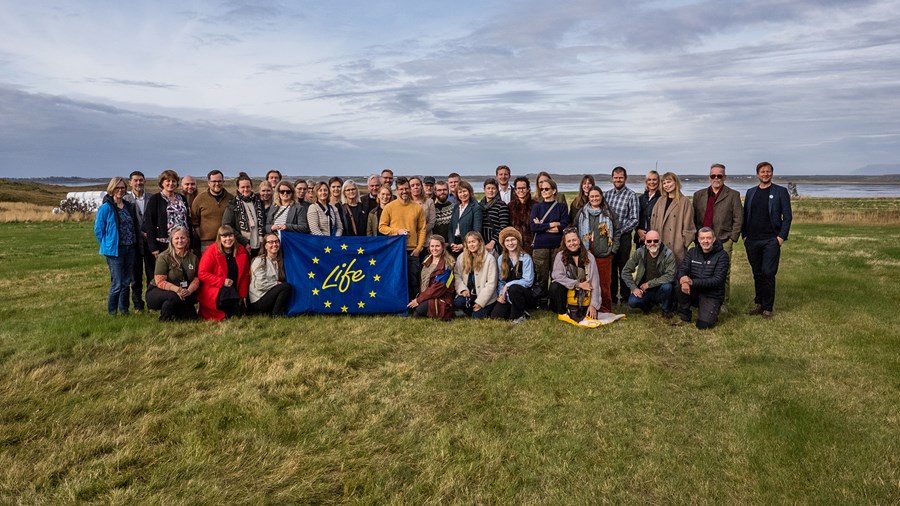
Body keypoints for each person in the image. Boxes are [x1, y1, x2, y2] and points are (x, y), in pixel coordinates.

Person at [742, 161, 792, 318]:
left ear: (772, 173)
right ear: (757, 174)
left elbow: (788, 217)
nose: (765, 174)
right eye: (762, 172)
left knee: (768, 272)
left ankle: (768, 308)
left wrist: (781, 237)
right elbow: (745, 215)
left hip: (771, 239)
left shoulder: (780, 192)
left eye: (768, 171)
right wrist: (744, 235)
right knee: (757, 273)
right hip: (752, 240)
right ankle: (759, 303)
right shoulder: (750, 192)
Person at [692, 163, 743, 307]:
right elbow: (694, 218)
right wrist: (696, 237)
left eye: (719, 175)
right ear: (709, 177)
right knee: (701, 272)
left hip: (723, 239)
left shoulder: (733, 195)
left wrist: (732, 238)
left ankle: (723, 303)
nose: (716, 178)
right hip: (702, 241)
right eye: (713, 175)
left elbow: (738, 218)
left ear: (724, 177)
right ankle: (701, 301)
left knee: (723, 274)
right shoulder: (698, 195)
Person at [94, 177, 139, 315]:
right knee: (117, 284)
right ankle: (112, 312)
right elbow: (98, 230)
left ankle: (124, 310)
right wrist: (107, 245)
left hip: (130, 248)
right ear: (112, 189)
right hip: (115, 251)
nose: (120, 190)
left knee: (127, 283)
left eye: (123, 188)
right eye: (117, 188)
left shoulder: (128, 206)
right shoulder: (106, 208)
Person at [575, 186, 620, 313]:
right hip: (586, 254)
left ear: (601, 197)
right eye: (592, 196)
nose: (594, 198)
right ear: (588, 198)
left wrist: (613, 249)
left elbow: (617, 232)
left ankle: (605, 308)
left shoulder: (609, 213)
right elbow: (576, 230)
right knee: (587, 282)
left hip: (604, 254)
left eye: (597, 196)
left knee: (604, 283)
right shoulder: (582, 213)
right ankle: (588, 306)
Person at [379, 177, 426, 298]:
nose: (404, 191)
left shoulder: (417, 208)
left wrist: (419, 248)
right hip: (395, 250)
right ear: (396, 190)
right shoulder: (389, 207)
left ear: (410, 189)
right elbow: (382, 227)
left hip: (412, 251)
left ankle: (413, 305)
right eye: (401, 189)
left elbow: (422, 230)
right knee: (395, 278)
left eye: (406, 188)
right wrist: (397, 231)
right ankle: (396, 303)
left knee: (413, 280)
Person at [674, 227, 729, 328]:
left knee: (703, 325)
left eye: (708, 238)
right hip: (695, 291)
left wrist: (692, 282)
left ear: (714, 239)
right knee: (679, 285)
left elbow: (718, 280)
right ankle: (685, 314)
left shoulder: (722, 256)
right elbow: (683, 269)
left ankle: (711, 310)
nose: (705, 241)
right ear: (698, 239)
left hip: (712, 294)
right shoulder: (692, 252)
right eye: (702, 238)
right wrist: (684, 280)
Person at [145, 226, 199, 321]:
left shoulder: (193, 258)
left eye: (183, 238)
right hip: (159, 290)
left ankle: (177, 314)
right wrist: (177, 290)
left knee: (192, 318)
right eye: (176, 238)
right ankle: (165, 318)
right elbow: (160, 281)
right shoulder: (163, 257)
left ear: (187, 240)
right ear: (171, 241)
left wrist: (189, 291)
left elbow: (197, 278)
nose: (180, 241)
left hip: (184, 291)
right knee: (173, 297)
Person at [197, 225, 250, 320]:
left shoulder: (241, 250)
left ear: (234, 237)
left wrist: (242, 295)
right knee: (228, 292)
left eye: (230, 236)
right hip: (215, 288)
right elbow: (202, 273)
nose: (228, 239)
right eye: (224, 236)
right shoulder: (211, 251)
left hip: (235, 289)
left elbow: (245, 274)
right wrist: (222, 281)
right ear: (219, 238)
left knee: (236, 304)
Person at [549, 227, 601, 323]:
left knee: (590, 317)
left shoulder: (589, 257)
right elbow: (557, 276)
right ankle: (562, 312)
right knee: (555, 285)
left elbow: (595, 282)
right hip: (568, 291)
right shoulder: (560, 256)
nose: (572, 243)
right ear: (565, 243)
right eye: (569, 241)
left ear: (579, 240)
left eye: (574, 240)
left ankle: (583, 307)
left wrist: (593, 305)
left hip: (585, 294)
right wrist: (578, 284)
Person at [530, 178, 568, 302]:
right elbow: (533, 227)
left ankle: (555, 300)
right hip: (540, 246)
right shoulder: (537, 207)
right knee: (541, 275)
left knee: (556, 275)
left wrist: (543, 226)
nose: (544, 191)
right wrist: (551, 224)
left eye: (547, 189)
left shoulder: (561, 207)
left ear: (554, 190)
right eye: (542, 189)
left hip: (557, 245)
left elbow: (563, 226)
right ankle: (542, 301)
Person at [621, 230, 676, 316]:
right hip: (644, 291)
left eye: (655, 241)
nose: (652, 243)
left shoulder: (668, 254)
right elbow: (625, 271)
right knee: (632, 302)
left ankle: (666, 310)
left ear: (660, 241)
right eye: (649, 241)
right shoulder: (640, 252)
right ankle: (646, 306)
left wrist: (649, 284)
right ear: (645, 242)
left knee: (667, 287)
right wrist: (634, 288)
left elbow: (670, 275)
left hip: (660, 288)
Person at [606, 166, 639, 306]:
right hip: (608, 237)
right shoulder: (606, 195)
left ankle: (625, 297)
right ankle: (612, 296)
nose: (618, 180)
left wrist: (619, 231)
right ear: (612, 178)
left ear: (625, 178)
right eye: (615, 177)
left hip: (624, 237)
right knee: (611, 267)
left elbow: (634, 219)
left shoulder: (631, 195)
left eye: (620, 177)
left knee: (624, 267)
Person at [144, 170, 194, 261]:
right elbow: (149, 223)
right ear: (162, 183)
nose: (171, 183)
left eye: (174, 181)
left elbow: (187, 221)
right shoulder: (155, 199)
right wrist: (153, 246)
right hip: (164, 244)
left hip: (182, 243)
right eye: (168, 181)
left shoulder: (181, 198)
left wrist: (191, 243)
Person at [649, 171, 696, 268]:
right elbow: (653, 221)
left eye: (669, 182)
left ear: (676, 182)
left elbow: (689, 227)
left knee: (675, 276)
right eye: (664, 183)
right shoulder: (660, 201)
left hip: (676, 246)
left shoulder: (684, 202)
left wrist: (682, 243)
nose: (666, 185)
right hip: (659, 245)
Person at [490, 227, 535, 323]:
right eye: (507, 240)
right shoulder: (501, 259)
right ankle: (518, 311)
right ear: (504, 243)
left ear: (518, 241)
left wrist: (508, 285)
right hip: (507, 294)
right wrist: (501, 294)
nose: (510, 243)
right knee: (496, 316)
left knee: (514, 288)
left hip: (522, 293)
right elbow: (501, 280)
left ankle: (519, 314)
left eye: (513, 239)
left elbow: (528, 281)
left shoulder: (526, 258)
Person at [123, 170, 153, 311]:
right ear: (130, 183)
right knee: (135, 277)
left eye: (141, 180)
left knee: (151, 274)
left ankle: (152, 302)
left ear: (144, 181)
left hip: (150, 243)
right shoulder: (125, 200)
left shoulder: (152, 198)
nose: (138, 183)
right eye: (135, 180)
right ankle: (137, 305)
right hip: (134, 244)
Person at [408, 235, 456, 320]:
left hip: (440, 297)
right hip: (426, 295)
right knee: (410, 309)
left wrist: (419, 300)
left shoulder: (447, 265)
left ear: (443, 247)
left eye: (437, 246)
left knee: (418, 313)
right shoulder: (426, 259)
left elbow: (437, 289)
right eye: (432, 246)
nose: (434, 249)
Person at [452, 231, 498, 318]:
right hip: (470, 293)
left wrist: (480, 302)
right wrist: (463, 289)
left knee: (476, 317)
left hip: (485, 296)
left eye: (473, 241)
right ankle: (471, 309)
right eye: (469, 242)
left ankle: (484, 309)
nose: (471, 245)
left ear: (480, 242)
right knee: (458, 302)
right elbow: (457, 275)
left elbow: (491, 284)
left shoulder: (489, 259)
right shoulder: (461, 257)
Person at [222, 172, 266, 257]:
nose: (245, 189)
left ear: (251, 187)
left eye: (248, 187)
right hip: (242, 245)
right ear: (238, 188)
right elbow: (227, 226)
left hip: (259, 244)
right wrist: (244, 242)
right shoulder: (233, 204)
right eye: (242, 187)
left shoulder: (258, 202)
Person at [248, 234, 293, 316]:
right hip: (258, 299)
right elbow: (260, 285)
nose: (274, 244)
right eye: (271, 242)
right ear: (265, 246)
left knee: (286, 286)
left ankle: (273, 312)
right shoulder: (259, 261)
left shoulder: (280, 261)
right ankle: (277, 314)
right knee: (285, 286)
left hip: (270, 296)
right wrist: (276, 284)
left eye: (276, 242)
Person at [191, 169, 232, 253]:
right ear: (208, 183)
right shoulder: (200, 199)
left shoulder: (231, 198)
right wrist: (203, 236)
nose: (217, 184)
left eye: (219, 181)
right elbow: (194, 221)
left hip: (227, 242)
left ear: (223, 182)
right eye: (214, 181)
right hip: (207, 244)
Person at [448, 180, 483, 254]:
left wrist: (463, 245)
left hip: (469, 245)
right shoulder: (456, 207)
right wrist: (451, 243)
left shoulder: (476, 208)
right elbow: (451, 227)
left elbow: (476, 231)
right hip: (454, 245)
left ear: (470, 192)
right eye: (460, 192)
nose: (463, 194)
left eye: (465, 191)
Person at [480, 178, 510, 255]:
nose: (491, 191)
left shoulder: (501, 205)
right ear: (484, 189)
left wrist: (493, 242)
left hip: (496, 242)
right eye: (488, 188)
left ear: (497, 190)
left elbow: (504, 227)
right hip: (482, 241)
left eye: (493, 188)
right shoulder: (480, 205)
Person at [508, 176, 536, 254]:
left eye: (523, 188)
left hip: (533, 245)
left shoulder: (536, 206)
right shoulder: (510, 206)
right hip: (515, 245)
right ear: (515, 190)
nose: (521, 190)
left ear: (528, 189)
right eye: (519, 188)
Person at [636, 170, 661, 248]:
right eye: (649, 180)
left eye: (654, 179)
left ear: (659, 181)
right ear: (646, 182)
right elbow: (635, 217)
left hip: (655, 239)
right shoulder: (641, 198)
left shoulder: (662, 198)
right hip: (641, 238)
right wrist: (638, 230)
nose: (652, 182)